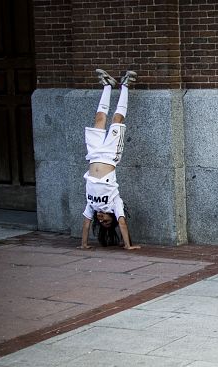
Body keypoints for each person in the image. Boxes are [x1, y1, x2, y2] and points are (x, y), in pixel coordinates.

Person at [78, 68, 140, 250]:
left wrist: (83, 244)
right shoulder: (115, 204)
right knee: (117, 120)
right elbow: (123, 224)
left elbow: (86, 224)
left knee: (99, 120)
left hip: (94, 155)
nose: (101, 219)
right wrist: (128, 246)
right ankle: (125, 85)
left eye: (101, 222)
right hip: (111, 156)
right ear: (111, 218)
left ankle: (107, 86)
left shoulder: (92, 206)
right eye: (106, 222)